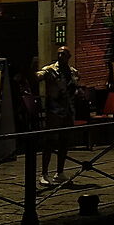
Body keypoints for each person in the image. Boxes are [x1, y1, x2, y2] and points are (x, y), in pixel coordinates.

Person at [35, 48, 78, 186]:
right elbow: (38, 76)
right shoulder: (50, 70)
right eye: (59, 53)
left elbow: (75, 88)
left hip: (68, 110)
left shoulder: (73, 72)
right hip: (54, 111)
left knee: (64, 142)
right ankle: (44, 173)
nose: (61, 56)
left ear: (69, 56)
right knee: (50, 142)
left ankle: (60, 172)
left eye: (64, 54)